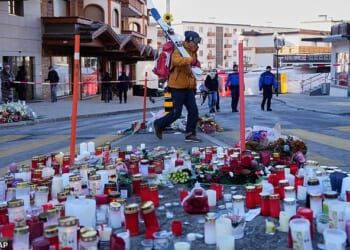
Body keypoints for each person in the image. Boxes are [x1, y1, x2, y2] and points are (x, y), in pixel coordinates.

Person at [152, 31, 202, 143]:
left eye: (198, 41)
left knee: (194, 111)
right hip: (176, 86)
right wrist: (189, 59)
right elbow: (176, 61)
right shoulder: (179, 48)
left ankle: (190, 134)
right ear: (189, 40)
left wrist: (194, 81)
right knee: (176, 112)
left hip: (188, 87)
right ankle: (158, 124)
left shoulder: (194, 52)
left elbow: (191, 68)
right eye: (196, 41)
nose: (197, 44)